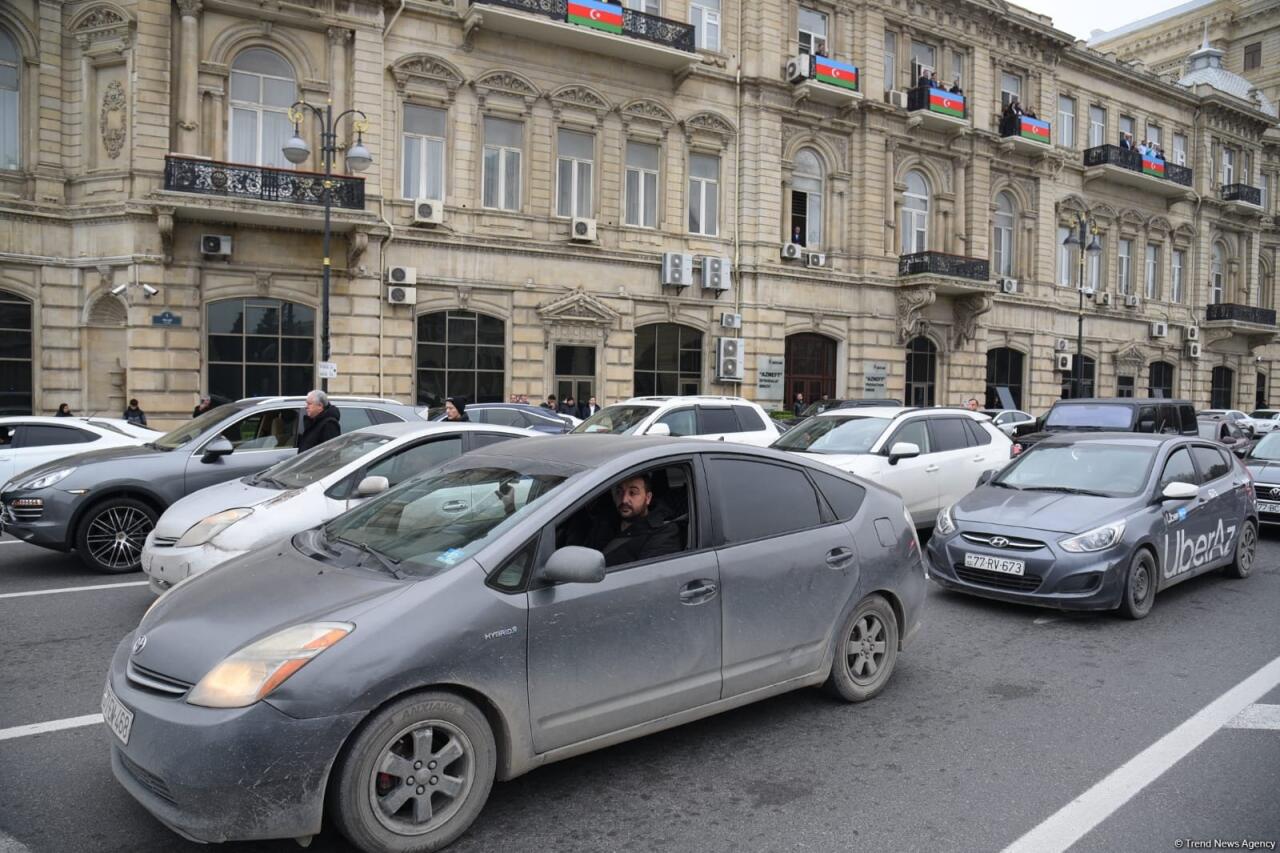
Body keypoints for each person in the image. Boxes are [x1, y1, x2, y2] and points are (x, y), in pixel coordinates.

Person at [589, 474, 683, 568]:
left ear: (648, 498)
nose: (624, 499)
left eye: (633, 493)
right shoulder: (605, 521)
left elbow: (647, 577)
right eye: (619, 492)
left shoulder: (664, 532)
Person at [297, 389, 341, 454]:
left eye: (309, 404)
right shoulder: (313, 422)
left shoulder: (329, 424)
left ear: (320, 406)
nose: (306, 407)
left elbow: (330, 454)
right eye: (307, 403)